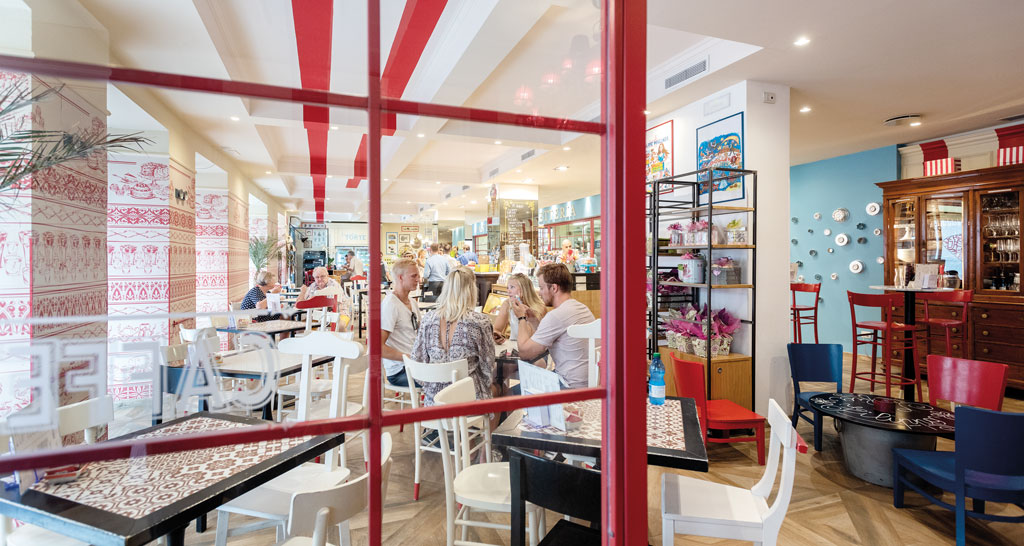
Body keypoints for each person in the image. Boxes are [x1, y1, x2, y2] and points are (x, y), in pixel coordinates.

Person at [411, 267, 495, 406]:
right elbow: (488, 366)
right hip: (467, 401)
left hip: (434, 401)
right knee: (498, 389)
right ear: (471, 290)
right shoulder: (479, 322)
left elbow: (417, 359)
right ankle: (489, 428)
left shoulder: (428, 320)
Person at [513, 263, 595, 388]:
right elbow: (550, 339)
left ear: (554, 288)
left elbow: (524, 352)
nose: (540, 293)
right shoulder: (582, 308)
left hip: (568, 385)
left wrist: (521, 318)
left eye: (541, 288)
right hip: (589, 382)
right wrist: (534, 321)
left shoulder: (556, 316)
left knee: (509, 394)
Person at [381, 258, 421, 387]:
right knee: (446, 380)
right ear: (400, 277)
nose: (418, 280)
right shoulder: (390, 305)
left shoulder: (413, 303)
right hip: (400, 371)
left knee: (455, 374)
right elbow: (378, 348)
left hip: (415, 366)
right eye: (413, 276)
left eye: (418, 276)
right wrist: (409, 357)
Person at [492, 273, 546, 344]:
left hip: (532, 348)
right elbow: (497, 329)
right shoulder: (507, 304)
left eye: (512, 287)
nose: (508, 291)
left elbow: (530, 336)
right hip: (513, 347)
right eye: (507, 287)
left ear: (523, 289)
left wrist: (522, 314)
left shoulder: (538, 307)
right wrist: (497, 336)